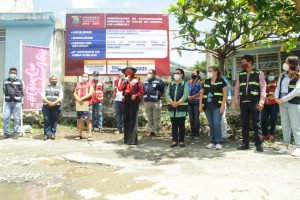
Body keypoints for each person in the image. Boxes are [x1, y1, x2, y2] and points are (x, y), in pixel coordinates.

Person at [235, 55, 266, 152]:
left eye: (244, 62)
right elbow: (237, 88)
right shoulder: (240, 74)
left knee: (257, 124)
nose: (242, 64)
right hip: (243, 102)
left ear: (250, 62)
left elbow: (263, 88)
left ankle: (258, 145)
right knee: (244, 124)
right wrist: (236, 101)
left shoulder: (259, 73)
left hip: (255, 102)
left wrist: (262, 102)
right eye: (242, 62)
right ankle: (245, 144)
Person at [275, 56, 300, 157]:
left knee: (295, 126)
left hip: (294, 103)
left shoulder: (298, 75)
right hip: (282, 103)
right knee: (285, 125)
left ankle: (298, 147)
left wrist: (283, 99)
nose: (284, 64)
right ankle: (286, 146)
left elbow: (296, 91)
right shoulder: (282, 75)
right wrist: (277, 98)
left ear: (292, 64)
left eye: (286, 62)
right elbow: (278, 87)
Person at [200, 66, 227, 150]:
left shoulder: (222, 81)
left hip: (217, 106)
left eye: (210, 71)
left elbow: (225, 95)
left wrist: (223, 106)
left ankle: (219, 142)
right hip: (207, 106)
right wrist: (200, 105)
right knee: (211, 124)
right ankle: (212, 141)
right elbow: (201, 94)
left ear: (216, 72)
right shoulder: (205, 82)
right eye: (208, 71)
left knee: (216, 123)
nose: (209, 73)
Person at [118, 66, 144, 145]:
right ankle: (126, 139)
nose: (128, 72)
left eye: (130, 70)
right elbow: (119, 89)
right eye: (127, 70)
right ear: (125, 72)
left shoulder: (137, 79)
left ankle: (132, 140)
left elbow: (142, 91)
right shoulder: (123, 80)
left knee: (133, 119)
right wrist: (125, 81)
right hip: (125, 100)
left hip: (134, 101)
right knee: (125, 119)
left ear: (133, 72)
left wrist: (136, 95)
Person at [166, 68, 189, 148]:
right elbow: (167, 95)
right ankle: (174, 140)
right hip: (172, 108)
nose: (175, 74)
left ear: (182, 75)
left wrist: (177, 103)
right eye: (175, 73)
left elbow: (185, 95)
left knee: (181, 125)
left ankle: (181, 141)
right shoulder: (171, 84)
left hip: (181, 108)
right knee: (174, 125)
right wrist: (172, 103)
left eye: (178, 73)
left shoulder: (185, 84)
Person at [2, 67, 24, 140]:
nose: (13, 74)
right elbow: (4, 90)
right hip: (8, 102)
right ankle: (6, 133)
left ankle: (15, 133)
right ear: (9, 73)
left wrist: (17, 96)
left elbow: (22, 91)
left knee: (16, 118)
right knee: (6, 117)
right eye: (11, 73)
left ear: (16, 73)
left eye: (14, 73)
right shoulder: (5, 81)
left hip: (17, 102)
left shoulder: (20, 81)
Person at [143, 69, 165, 137]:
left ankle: (156, 131)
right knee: (149, 117)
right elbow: (143, 91)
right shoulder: (145, 82)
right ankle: (151, 131)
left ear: (154, 74)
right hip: (147, 102)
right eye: (147, 73)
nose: (148, 74)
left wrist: (158, 97)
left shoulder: (159, 81)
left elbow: (163, 91)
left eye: (150, 73)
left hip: (156, 102)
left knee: (156, 117)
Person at [41, 75, 63, 140]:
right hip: (46, 107)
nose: (53, 81)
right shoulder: (45, 87)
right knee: (46, 120)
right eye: (52, 79)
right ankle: (46, 134)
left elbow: (61, 97)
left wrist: (54, 103)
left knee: (54, 120)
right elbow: (43, 96)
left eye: (55, 79)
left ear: (57, 80)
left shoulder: (59, 88)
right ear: (49, 80)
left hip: (56, 106)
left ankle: (53, 134)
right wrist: (48, 102)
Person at [74, 73, 94, 141]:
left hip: (87, 103)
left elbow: (90, 93)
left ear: (88, 78)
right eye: (83, 76)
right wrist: (78, 99)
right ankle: (80, 135)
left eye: (85, 77)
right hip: (80, 103)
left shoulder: (90, 84)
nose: (84, 78)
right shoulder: (78, 84)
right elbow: (75, 93)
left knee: (88, 119)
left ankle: (90, 135)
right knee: (80, 119)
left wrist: (81, 99)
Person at [261, 70, 279, 141]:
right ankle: (265, 134)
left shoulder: (276, 83)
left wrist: (268, 97)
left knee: (273, 119)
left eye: (273, 74)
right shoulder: (263, 83)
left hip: (274, 104)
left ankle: (272, 134)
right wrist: (264, 99)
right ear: (267, 75)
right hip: (265, 104)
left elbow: (277, 93)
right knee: (263, 119)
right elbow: (261, 92)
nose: (271, 76)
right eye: (270, 74)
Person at [187, 69, 202, 138]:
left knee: (196, 118)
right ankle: (192, 133)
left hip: (196, 102)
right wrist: (188, 96)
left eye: (194, 73)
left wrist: (192, 97)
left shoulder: (200, 83)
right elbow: (186, 91)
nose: (193, 74)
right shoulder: (189, 82)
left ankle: (197, 134)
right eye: (192, 73)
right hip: (190, 102)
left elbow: (201, 92)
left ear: (198, 74)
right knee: (191, 118)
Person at [113, 68, 125, 134]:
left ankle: (124, 128)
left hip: (123, 100)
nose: (120, 73)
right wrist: (114, 97)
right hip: (117, 99)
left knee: (125, 114)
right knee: (118, 114)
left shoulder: (126, 80)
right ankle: (118, 128)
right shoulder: (116, 81)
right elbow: (114, 89)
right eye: (119, 72)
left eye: (121, 72)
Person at [221, 74, 232, 141]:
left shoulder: (224, 80)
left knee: (222, 119)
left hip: (222, 102)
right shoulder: (210, 80)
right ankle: (217, 136)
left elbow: (228, 90)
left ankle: (224, 136)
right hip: (213, 103)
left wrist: (228, 99)